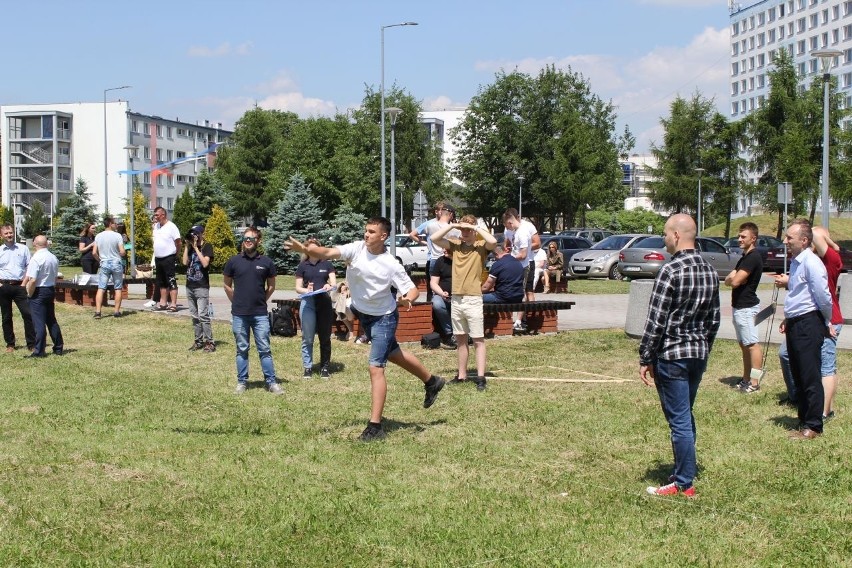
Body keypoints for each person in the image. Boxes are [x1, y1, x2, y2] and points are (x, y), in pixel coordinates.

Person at [286, 217, 446, 442]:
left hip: (384, 318)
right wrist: (304, 249)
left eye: (372, 232)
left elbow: (412, 290)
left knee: (375, 367)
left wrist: (406, 299)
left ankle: (375, 426)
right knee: (394, 354)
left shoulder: (390, 263)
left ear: (383, 236)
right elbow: (328, 253)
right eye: (366, 231)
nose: (366, 234)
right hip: (365, 315)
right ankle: (432, 381)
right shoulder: (356, 249)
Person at [640, 214, 720, 498]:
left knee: (679, 420)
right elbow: (714, 319)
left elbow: (656, 320)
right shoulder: (710, 271)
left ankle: (684, 483)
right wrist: (705, 347)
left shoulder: (670, 271)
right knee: (685, 414)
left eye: (664, 235)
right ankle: (685, 469)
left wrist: (645, 356)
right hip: (697, 353)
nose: (663, 240)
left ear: (676, 235)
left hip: (672, 356)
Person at [774, 219, 834, 439]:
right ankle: (804, 419)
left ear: (804, 240)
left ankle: (814, 426)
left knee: (809, 375)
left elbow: (823, 297)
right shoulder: (796, 262)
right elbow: (798, 294)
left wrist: (825, 321)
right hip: (797, 322)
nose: (785, 241)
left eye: (790, 237)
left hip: (809, 322)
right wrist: (788, 318)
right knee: (798, 373)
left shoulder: (811, 262)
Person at [432, 215, 498, 390]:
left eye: (468, 229)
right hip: (457, 298)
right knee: (461, 339)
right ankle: (461, 376)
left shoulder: (480, 246)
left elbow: (493, 241)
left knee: (478, 339)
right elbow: (434, 238)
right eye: (463, 230)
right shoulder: (455, 245)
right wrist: (453, 225)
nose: (465, 232)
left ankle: (481, 377)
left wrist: (476, 228)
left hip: (473, 298)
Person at [223, 227, 282, 395]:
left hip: (260, 314)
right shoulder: (234, 261)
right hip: (239, 314)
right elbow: (227, 284)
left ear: (258, 241)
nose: (247, 240)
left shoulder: (266, 262)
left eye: (251, 238)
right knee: (242, 348)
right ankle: (242, 382)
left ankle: (271, 382)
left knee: (264, 348)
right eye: (245, 237)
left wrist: (262, 299)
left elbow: (271, 286)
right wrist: (236, 301)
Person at [724, 222, 764, 393]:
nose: (739, 239)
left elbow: (735, 281)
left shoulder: (753, 257)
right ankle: (746, 378)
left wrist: (734, 279)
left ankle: (755, 382)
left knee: (752, 345)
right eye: (739, 236)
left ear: (753, 238)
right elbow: (729, 280)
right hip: (739, 307)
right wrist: (733, 278)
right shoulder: (744, 257)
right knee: (744, 345)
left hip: (747, 308)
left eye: (743, 237)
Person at [295, 237, 336, 379]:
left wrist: (328, 286)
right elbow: (297, 288)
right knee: (307, 338)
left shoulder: (327, 264)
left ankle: (325, 367)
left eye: (316, 248)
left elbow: (333, 284)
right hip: (308, 303)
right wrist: (307, 290)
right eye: (310, 248)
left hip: (324, 302)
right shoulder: (303, 266)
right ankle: (308, 367)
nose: (313, 251)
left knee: (325, 337)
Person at [23, 236, 63, 357]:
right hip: (50, 289)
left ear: (35, 244)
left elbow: (33, 280)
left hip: (39, 290)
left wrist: (29, 293)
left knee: (38, 322)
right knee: (51, 320)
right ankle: (58, 347)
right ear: (46, 244)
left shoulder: (36, 258)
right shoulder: (53, 257)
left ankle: (39, 351)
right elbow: (56, 277)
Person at [502, 208, 540, 330]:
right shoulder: (514, 231)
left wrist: (509, 258)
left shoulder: (523, 231)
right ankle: (518, 320)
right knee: (517, 291)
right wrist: (507, 251)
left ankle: (520, 321)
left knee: (524, 292)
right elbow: (508, 244)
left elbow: (524, 254)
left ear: (511, 222)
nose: (507, 229)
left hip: (524, 265)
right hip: (516, 265)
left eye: (507, 226)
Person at [0, 223, 35, 353]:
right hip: (4, 287)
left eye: (10, 232)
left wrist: (24, 283)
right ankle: (10, 344)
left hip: (20, 286)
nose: (9, 235)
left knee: (28, 314)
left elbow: (29, 266)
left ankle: (31, 344)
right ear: (1, 235)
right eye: (6, 233)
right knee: (6, 316)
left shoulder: (23, 248)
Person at [411, 202, 456, 300]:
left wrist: (426, 242)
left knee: (433, 288)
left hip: (434, 258)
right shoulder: (453, 228)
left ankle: (435, 307)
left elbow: (413, 234)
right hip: (446, 258)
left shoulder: (429, 225)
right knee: (448, 284)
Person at [182, 225, 215, 353]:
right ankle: (198, 340)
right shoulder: (190, 248)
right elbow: (185, 262)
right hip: (189, 285)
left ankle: (209, 342)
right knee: (194, 315)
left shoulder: (207, 246)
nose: (194, 236)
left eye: (196, 234)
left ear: (202, 234)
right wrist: (187, 246)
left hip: (201, 285)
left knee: (203, 315)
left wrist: (196, 248)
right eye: (192, 234)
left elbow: (205, 263)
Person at [92, 217, 127, 319]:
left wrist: (100, 260)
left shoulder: (98, 236)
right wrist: (122, 253)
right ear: (110, 224)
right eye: (115, 223)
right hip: (116, 263)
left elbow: (94, 252)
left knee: (101, 287)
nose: (116, 225)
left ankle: (98, 312)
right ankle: (116, 311)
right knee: (118, 288)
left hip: (104, 263)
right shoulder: (117, 236)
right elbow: (122, 251)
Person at [152, 206, 181, 312]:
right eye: (154, 215)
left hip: (169, 257)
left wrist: (175, 254)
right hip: (158, 258)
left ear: (163, 215)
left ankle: (173, 304)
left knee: (171, 280)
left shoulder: (171, 226)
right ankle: (163, 303)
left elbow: (178, 242)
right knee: (161, 281)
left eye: (157, 215)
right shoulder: (156, 226)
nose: (155, 217)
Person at [429, 249, 456, 349]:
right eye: (442, 247)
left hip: (460, 295)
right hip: (442, 295)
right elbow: (433, 282)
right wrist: (441, 293)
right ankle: (450, 333)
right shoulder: (440, 261)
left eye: (446, 247)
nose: (443, 250)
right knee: (437, 303)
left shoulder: (463, 261)